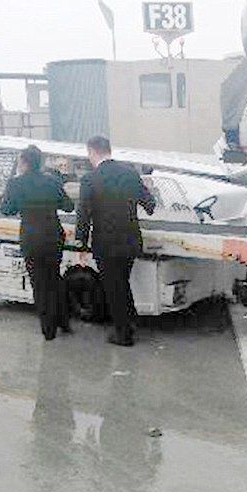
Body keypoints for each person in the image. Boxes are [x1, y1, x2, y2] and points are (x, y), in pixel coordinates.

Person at [76, 135, 156, 346]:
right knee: (122, 282)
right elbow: (150, 204)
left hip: (106, 244)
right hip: (130, 241)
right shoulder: (130, 174)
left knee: (114, 288)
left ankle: (123, 334)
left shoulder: (89, 179)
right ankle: (130, 321)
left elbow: (83, 215)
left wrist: (81, 244)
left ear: (92, 152)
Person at [0, 145, 74, 339]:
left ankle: (49, 329)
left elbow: (6, 209)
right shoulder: (52, 181)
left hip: (32, 239)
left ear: (24, 162)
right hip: (53, 236)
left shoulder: (16, 183)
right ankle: (64, 322)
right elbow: (68, 206)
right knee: (54, 277)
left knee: (39, 283)